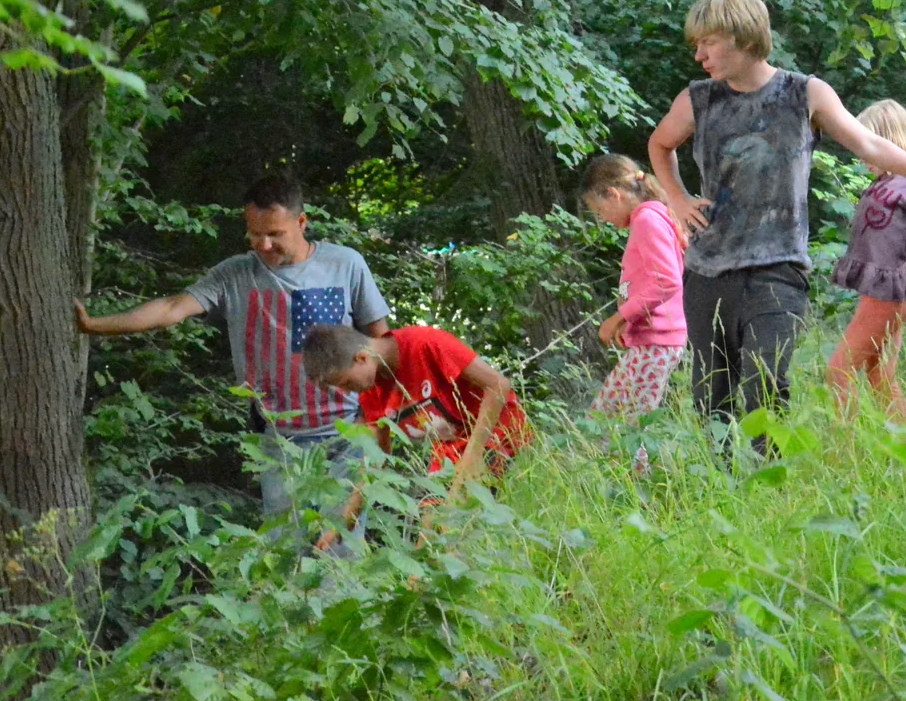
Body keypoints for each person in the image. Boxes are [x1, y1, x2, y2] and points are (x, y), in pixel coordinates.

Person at [649, 0, 906, 425]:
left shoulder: (804, 93)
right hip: (707, 270)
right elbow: (660, 144)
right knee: (710, 399)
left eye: (708, 42)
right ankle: (724, 489)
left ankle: (768, 484)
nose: (699, 54)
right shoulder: (698, 99)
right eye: (697, 44)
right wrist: (677, 198)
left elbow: (869, 143)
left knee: (765, 384)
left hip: (778, 268)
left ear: (742, 36)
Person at [75, 173, 392, 520]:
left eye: (275, 234)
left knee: (340, 545)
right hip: (279, 438)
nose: (264, 245)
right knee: (287, 547)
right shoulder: (235, 274)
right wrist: (95, 325)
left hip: (347, 432)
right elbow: (172, 308)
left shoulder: (344, 264)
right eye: (255, 234)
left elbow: (382, 343)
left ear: (302, 222)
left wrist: (379, 417)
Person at [825, 101, 906, 420]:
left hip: (889, 293)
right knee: (880, 375)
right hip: (886, 291)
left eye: (867, 144)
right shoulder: (889, 181)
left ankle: (845, 456)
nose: (861, 155)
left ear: (887, 142)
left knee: (838, 373)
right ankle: (904, 453)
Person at [300, 320, 530, 483]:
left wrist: (473, 454)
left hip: (498, 435)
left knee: (453, 517)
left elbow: (498, 384)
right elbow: (380, 456)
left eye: (346, 383)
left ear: (361, 358)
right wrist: (346, 518)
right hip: (451, 450)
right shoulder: (372, 389)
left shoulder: (426, 343)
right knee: (429, 527)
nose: (347, 391)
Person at [581, 154, 689, 420]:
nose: (602, 218)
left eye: (599, 210)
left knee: (618, 425)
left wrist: (619, 317)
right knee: (607, 420)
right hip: (650, 339)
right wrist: (629, 323)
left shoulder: (647, 220)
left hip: (657, 341)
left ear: (613, 194)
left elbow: (667, 280)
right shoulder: (651, 216)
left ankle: (638, 464)